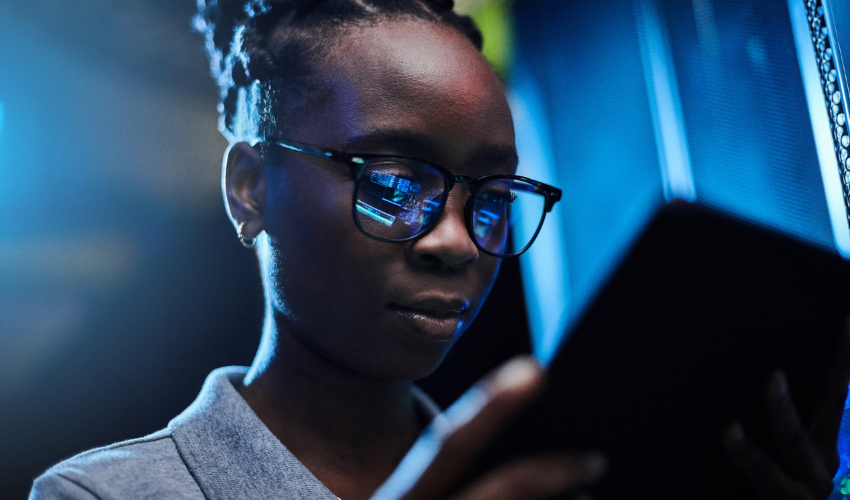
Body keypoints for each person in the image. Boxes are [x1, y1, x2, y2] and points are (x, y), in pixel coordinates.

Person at [29, 1, 849, 499]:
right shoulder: (101, 493)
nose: (458, 243)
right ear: (251, 188)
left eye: (491, 198)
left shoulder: (561, 476)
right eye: (391, 183)